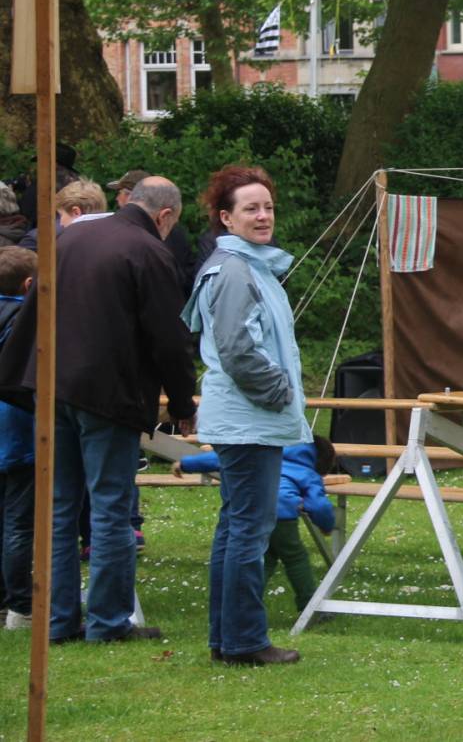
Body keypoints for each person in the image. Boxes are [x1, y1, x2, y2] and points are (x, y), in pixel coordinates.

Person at [0, 176, 197, 644]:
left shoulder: (70, 239)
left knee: (60, 508)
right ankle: (108, 622)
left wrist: (22, 378)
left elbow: (34, 311)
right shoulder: (149, 252)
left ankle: (59, 620)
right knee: (110, 508)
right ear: (165, 216)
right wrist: (182, 402)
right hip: (107, 396)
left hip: (51, 388)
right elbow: (168, 338)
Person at [183, 164, 310, 666]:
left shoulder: (250, 265)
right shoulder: (235, 270)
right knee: (249, 531)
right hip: (249, 419)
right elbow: (239, 350)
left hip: (245, 418)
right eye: (250, 208)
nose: (263, 216)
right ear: (226, 218)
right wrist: (280, 393)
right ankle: (244, 641)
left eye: (268, 207)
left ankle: (227, 639)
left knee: (236, 527)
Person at [175, 435, 337, 615]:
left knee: (266, 558)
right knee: (295, 558)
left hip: (251, 509)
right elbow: (319, 506)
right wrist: (326, 526)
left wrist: (185, 464)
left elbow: (219, 459)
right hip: (282, 515)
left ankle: (243, 604)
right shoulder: (308, 473)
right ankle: (310, 606)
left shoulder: (266, 453)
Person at [0, 247, 38, 630]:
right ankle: (21, 606)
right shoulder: (27, 323)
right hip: (18, 431)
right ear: (30, 285)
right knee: (19, 523)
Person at [110, 169, 196, 290]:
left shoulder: (162, 230)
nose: (117, 198)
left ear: (132, 197)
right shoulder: (173, 229)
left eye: (120, 193)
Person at [21, 179, 110, 251]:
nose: (61, 222)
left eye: (61, 215)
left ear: (76, 212)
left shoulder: (38, 239)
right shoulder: (113, 240)